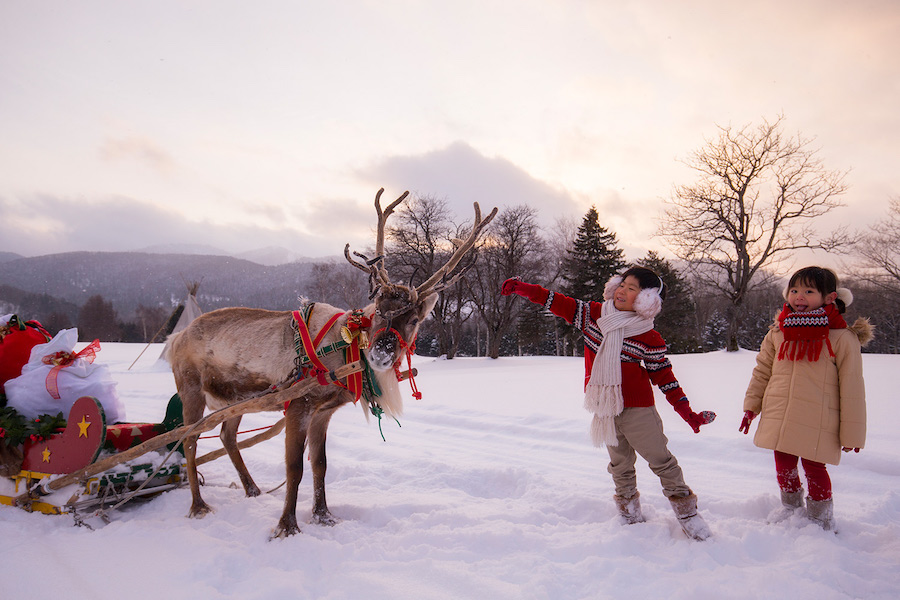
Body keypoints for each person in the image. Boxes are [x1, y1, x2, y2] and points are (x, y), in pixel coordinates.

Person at [501, 266, 716, 540]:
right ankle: (629, 513)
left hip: (638, 410)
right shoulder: (594, 315)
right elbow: (556, 301)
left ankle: (688, 515)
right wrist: (524, 288)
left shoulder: (648, 337)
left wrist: (688, 414)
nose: (623, 291)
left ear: (646, 299)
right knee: (620, 465)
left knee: (662, 462)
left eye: (632, 288)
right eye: (622, 284)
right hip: (605, 408)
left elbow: (666, 380)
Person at [740, 266, 872, 531]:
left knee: (814, 468)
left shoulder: (842, 338)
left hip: (818, 418)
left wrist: (852, 434)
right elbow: (762, 371)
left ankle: (820, 516)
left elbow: (852, 388)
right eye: (795, 290)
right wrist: (751, 406)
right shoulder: (778, 332)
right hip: (781, 413)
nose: (799, 296)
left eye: (809, 291)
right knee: (783, 465)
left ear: (829, 297)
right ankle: (790, 507)